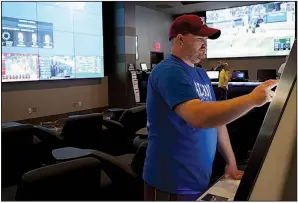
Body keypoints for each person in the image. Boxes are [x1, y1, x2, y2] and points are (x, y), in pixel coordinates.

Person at [143, 14, 278, 201]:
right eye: (199, 39)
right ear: (180, 39)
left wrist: (231, 162)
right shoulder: (170, 71)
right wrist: (252, 99)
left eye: (206, 39)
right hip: (171, 183)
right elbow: (199, 117)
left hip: (198, 179)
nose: (205, 44)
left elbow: (217, 123)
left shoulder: (201, 74)